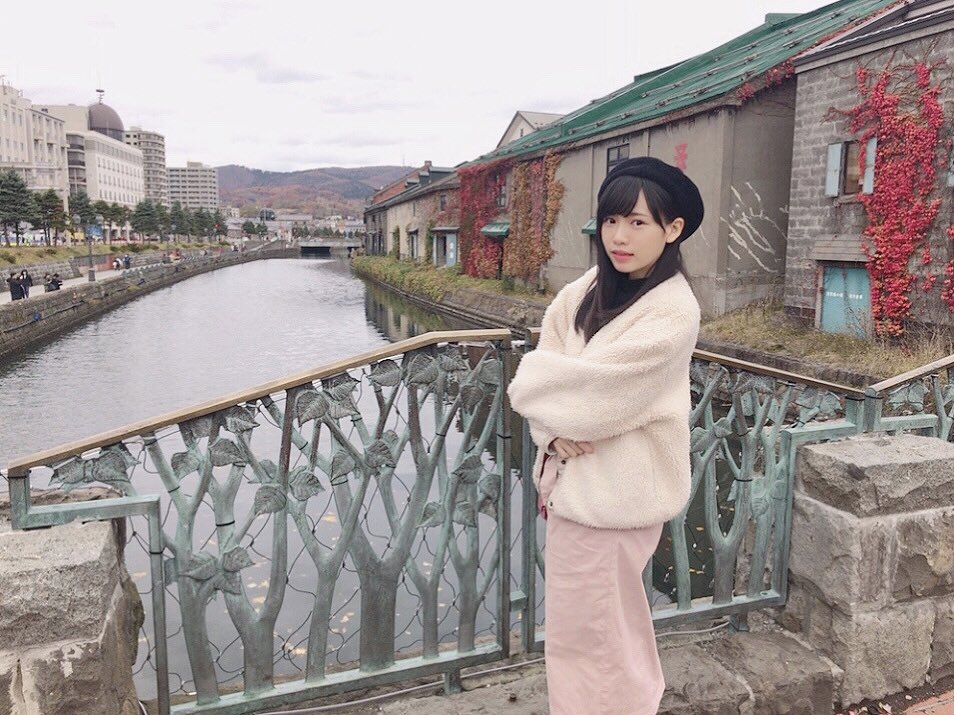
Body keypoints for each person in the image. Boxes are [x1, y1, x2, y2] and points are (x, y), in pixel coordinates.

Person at [508, 157, 704, 715]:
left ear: (673, 229)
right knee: (596, 631)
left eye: (638, 223)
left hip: (614, 500)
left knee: (593, 640)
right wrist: (550, 430)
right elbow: (553, 376)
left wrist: (544, 395)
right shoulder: (589, 287)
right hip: (576, 489)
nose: (619, 236)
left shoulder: (671, 312)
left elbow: (588, 399)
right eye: (612, 220)